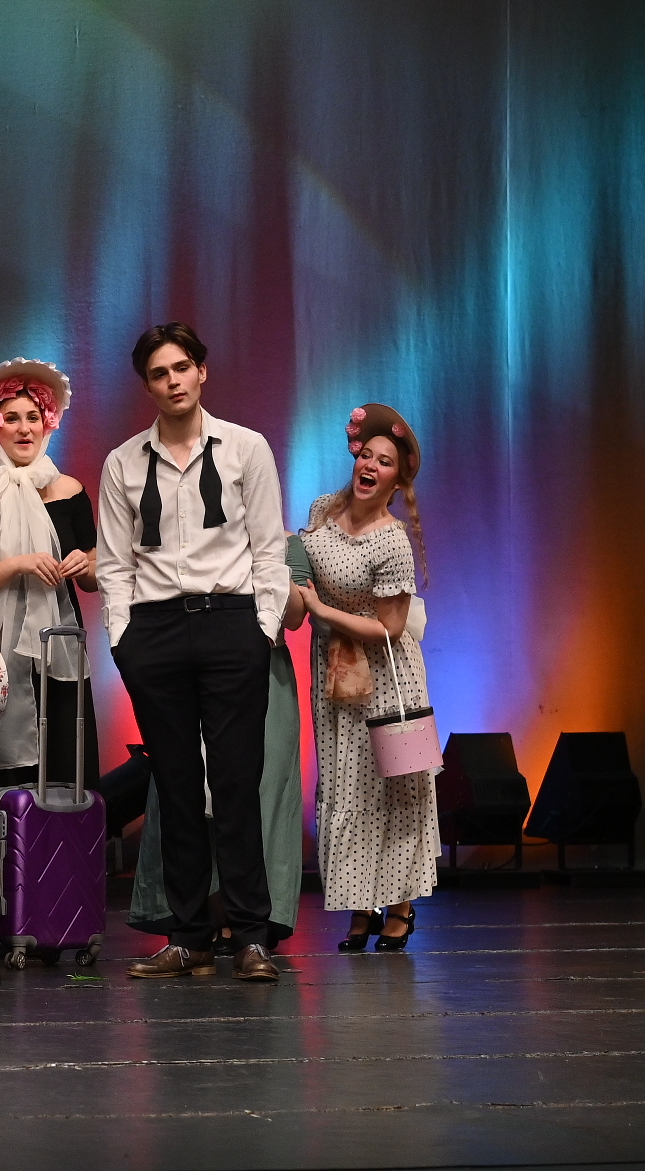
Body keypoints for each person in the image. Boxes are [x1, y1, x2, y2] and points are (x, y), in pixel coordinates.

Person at [96, 323, 290, 984]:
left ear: (202, 371)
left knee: (236, 782)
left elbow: (269, 549)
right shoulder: (124, 462)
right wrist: (122, 639)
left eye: (182, 367)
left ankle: (252, 935)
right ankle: (188, 937)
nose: (173, 380)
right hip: (154, 631)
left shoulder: (245, 448)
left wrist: (263, 629)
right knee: (175, 786)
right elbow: (114, 563)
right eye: (159, 373)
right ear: (146, 385)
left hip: (231, 622)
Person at [293, 403, 437, 953]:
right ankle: (361, 906)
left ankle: (399, 906)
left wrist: (321, 611)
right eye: (367, 455)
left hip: (388, 680)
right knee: (346, 789)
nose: (371, 465)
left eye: (385, 461)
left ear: (397, 480)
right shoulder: (321, 510)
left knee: (395, 790)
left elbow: (390, 628)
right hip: (335, 676)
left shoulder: (392, 541)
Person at [130, 531, 310, 952]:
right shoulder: (199, 534)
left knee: (258, 792)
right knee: (188, 788)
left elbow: (295, 616)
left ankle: (250, 919)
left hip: (264, 671)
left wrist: (269, 565)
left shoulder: (286, 544)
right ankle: (200, 916)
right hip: (196, 666)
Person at [0, 359, 100, 797]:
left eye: (34, 417)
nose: (25, 429)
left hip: (59, 648)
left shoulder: (71, 490)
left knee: (65, 762)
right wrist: (18, 564)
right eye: (11, 418)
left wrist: (85, 563)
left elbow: (95, 575)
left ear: (48, 423)